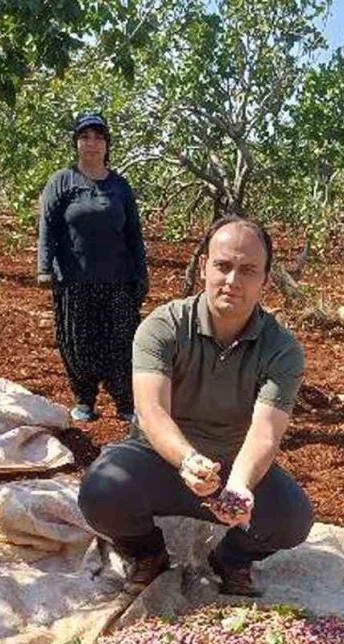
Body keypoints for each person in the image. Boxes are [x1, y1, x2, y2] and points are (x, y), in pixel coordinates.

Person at [77, 216, 313, 597]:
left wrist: (239, 484)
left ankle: (232, 558)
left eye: (248, 270)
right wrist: (187, 460)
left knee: (292, 519)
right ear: (204, 267)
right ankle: (147, 553)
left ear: (265, 281)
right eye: (223, 266)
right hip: (160, 458)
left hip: (233, 464)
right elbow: (152, 411)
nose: (233, 280)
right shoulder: (164, 326)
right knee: (101, 492)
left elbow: (265, 431)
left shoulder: (281, 349)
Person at [37, 111, 149, 423]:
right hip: (74, 280)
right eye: (85, 136)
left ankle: (125, 403)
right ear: (76, 142)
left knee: (121, 341)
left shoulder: (120, 186)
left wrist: (141, 274)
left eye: (99, 137)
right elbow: (47, 227)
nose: (92, 143)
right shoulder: (61, 182)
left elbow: (134, 234)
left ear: (107, 144)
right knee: (78, 341)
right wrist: (44, 268)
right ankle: (85, 400)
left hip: (117, 280)